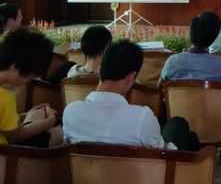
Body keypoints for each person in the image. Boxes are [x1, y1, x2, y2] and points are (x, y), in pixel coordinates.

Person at [63, 40, 198, 150]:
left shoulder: (71, 112)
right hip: (140, 173)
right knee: (179, 126)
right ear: (131, 77)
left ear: (100, 68)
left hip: (86, 174)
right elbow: (165, 155)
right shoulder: (142, 118)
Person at [160, 12, 221, 161]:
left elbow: (159, 87)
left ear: (190, 34)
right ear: (214, 37)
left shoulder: (172, 61)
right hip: (218, 127)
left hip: (181, 127)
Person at [0, 28, 62, 147]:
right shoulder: (5, 97)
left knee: (38, 115)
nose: (27, 82)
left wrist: (25, 115)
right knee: (59, 133)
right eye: (29, 76)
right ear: (15, 67)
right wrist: (49, 121)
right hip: (7, 154)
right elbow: (16, 137)